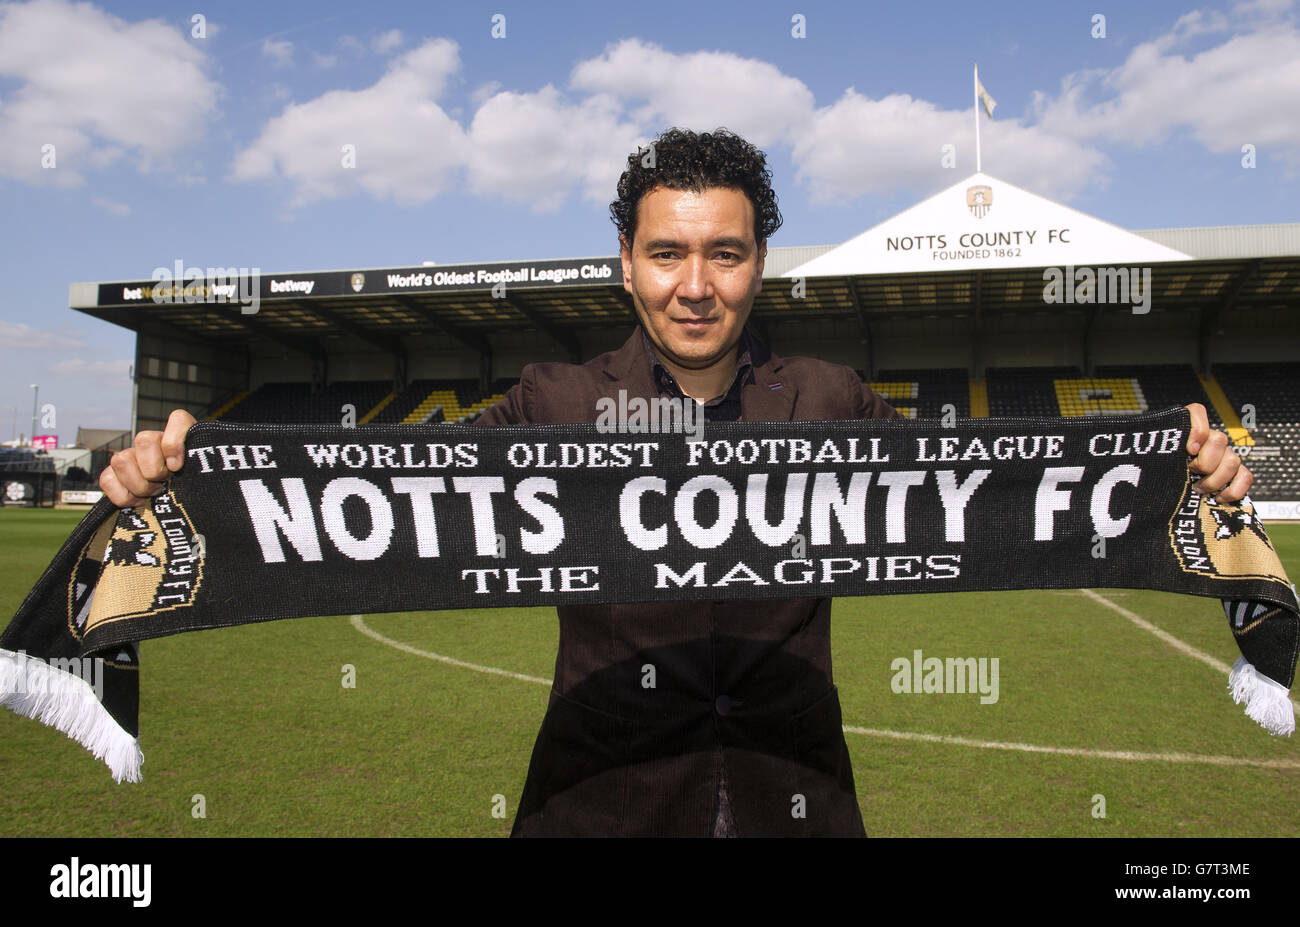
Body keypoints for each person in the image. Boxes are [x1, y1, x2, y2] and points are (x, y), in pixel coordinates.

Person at [100, 127, 1253, 837]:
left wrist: (1177, 473)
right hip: (594, 804)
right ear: (626, 264)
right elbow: (380, 486)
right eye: (666, 252)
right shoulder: (548, 403)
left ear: (760, 263)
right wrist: (182, 480)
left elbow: (1000, 483)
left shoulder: (836, 400)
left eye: (725, 251)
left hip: (793, 799)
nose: (693, 285)